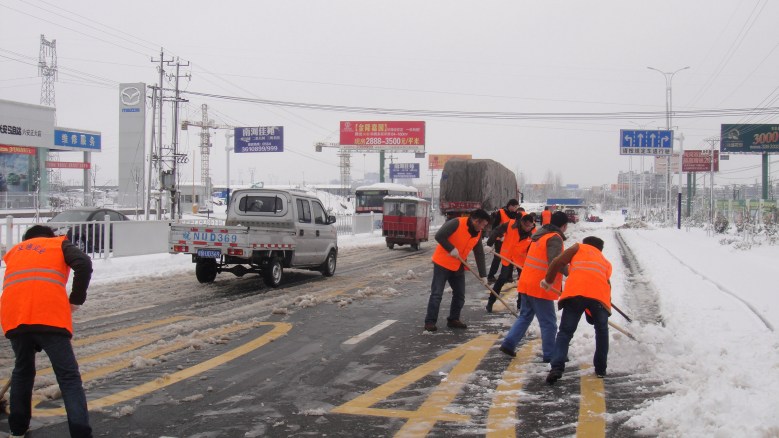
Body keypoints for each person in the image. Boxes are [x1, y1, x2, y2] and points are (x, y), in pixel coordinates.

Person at [1, 225, 94, 438]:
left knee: (22, 371)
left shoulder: (16, 251)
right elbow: (83, 263)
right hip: (49, 316)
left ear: (27, 239)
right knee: (68, 377)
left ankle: (17, 429)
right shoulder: (57, 244)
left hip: (15, 317)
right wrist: (76, 300)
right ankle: (81, 433)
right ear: (49, 236)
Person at [498, 211, 569, 361]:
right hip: (540, 286)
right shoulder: (554, 238)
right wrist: (571, 272)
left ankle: (509, 344)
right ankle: (550, 354)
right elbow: (555, 262)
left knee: (525, 316)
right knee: (548, 323)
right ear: (564, 226)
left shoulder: (541, 235)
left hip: (527, 282)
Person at [545, 236, 612, 384]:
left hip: (575, 295)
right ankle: (601, 369)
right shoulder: (605, 262)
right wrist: (595, 314)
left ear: (585, 243)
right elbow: (607, 286)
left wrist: (548, 280)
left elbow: (557, 261)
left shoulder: (578, 247)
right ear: (600, 249)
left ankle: (556, 368)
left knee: (565, 332)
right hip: (600, 298)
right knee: (602, 332)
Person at [424, 209, 490, 332]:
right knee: (437, 294)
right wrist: (451, 248)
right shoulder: (457, 223)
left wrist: (483, 275)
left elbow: (479, 253)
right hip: (442, 263)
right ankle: (430, 322)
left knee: (460, 294)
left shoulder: (477, 232)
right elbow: (439, 236)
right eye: (483, 224)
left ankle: (453, 319)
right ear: (476, 221)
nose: (484, 227)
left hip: (458, 265)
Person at [485, 213, 536, 313]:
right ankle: (490, 302)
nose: (528, 228)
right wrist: (489, 244)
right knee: (502, 278)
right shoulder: (510, 225)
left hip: (521, 259)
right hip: (507, 256)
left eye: (530, 226)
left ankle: (520, 306)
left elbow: (532, 248)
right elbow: (496, 231)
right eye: (526, 226)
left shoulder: (533, 233)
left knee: (523, 282)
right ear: (521, 223)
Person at [487, 199, 519, 283]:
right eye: (515, 207)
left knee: (510, 258)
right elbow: (495, 227)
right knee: (497, 258)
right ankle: (491, 276)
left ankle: (509, 276)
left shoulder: (516, 214)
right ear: (510, 205)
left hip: (510, 240)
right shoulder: (501, 212)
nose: (516, 208)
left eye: (517, 207)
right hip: (500, 239)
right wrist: (499, 237)